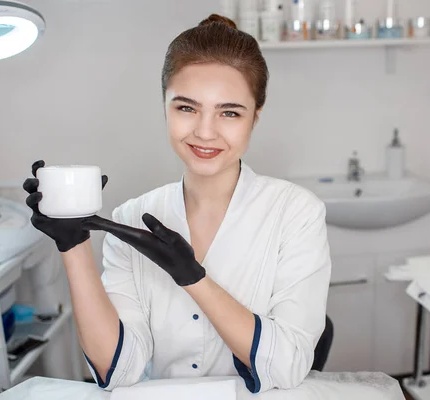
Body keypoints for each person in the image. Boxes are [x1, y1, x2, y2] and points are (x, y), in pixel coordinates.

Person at [23, 14, 331, 394]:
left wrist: (194, 279)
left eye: (230, 112)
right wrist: (73, 247)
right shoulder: (131, 218)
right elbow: (116, 371)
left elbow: (288, 365)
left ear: (255, 117)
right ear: (165, 106)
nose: (204, 131)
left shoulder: (296, 213)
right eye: (186, 108)